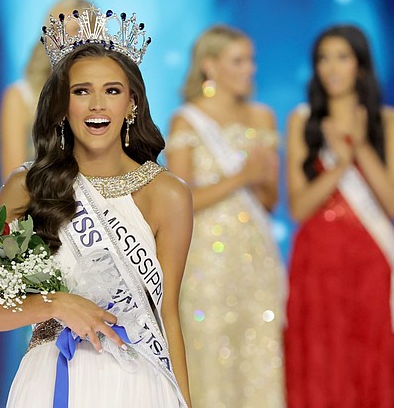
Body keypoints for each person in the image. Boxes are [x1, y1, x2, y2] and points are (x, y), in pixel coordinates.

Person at [0, 6, 193, 407]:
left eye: (112, 90)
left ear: (132, 104)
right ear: (61, 105)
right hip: (52, 374)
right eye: (81, 91)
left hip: (139, 382)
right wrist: (54, 304)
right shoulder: (28, 186)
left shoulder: (168, 194)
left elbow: (167, 315)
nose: (97, 105)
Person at [166, 25, 286, 407]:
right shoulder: (187, 121)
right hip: (205, 261)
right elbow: (180, 200)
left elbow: (269, 201)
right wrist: (241, 177)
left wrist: (258, 181)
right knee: (210, 349)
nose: (250, 68)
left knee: (260, 352)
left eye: (250, 60)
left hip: (256, 256)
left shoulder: (263, 117)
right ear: (210, 66)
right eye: (239, 60)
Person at [285, 25, 394, 407]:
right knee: (322, 358)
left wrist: (360, 147)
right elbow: (298, 207)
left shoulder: (387, 121)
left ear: (361, 67)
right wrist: (338, 164)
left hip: (370, 261)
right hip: (317, 262)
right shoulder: (302, 121)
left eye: (342, 57)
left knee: (369, 357)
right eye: (323, 58)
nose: (331, 67)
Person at [0, 0, 89, 181]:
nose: (75, 43)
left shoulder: (104, 100)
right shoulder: (21, 96)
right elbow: (12, 177)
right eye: (67, 33)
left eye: (82, 33)